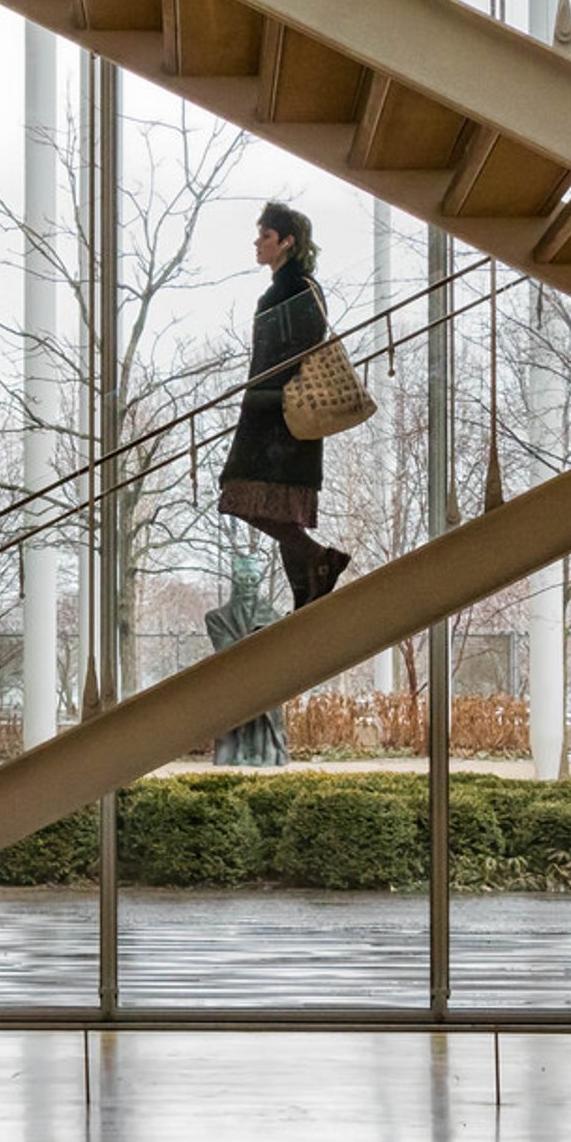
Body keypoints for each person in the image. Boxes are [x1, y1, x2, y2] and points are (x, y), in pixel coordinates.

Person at [217, 201, 350, 610]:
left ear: (287, 242)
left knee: (237, 493)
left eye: (266, 235)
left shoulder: (295, 289)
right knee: (283, 510)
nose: (257, 242)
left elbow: (297, 350)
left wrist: (263, 394)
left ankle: (318, 558)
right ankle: (306, 592)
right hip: (279, 411)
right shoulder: (288, 289)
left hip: (280, 414)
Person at [204, 555, 289, 766]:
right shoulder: (216, 618)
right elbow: (225, 648)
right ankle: (236, 754)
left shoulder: (273, 616)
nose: (249, 585)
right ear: (234, 579)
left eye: (253, 579)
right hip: (234, 683)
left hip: (264, 683)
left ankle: (264, 754)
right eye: (244, 579)